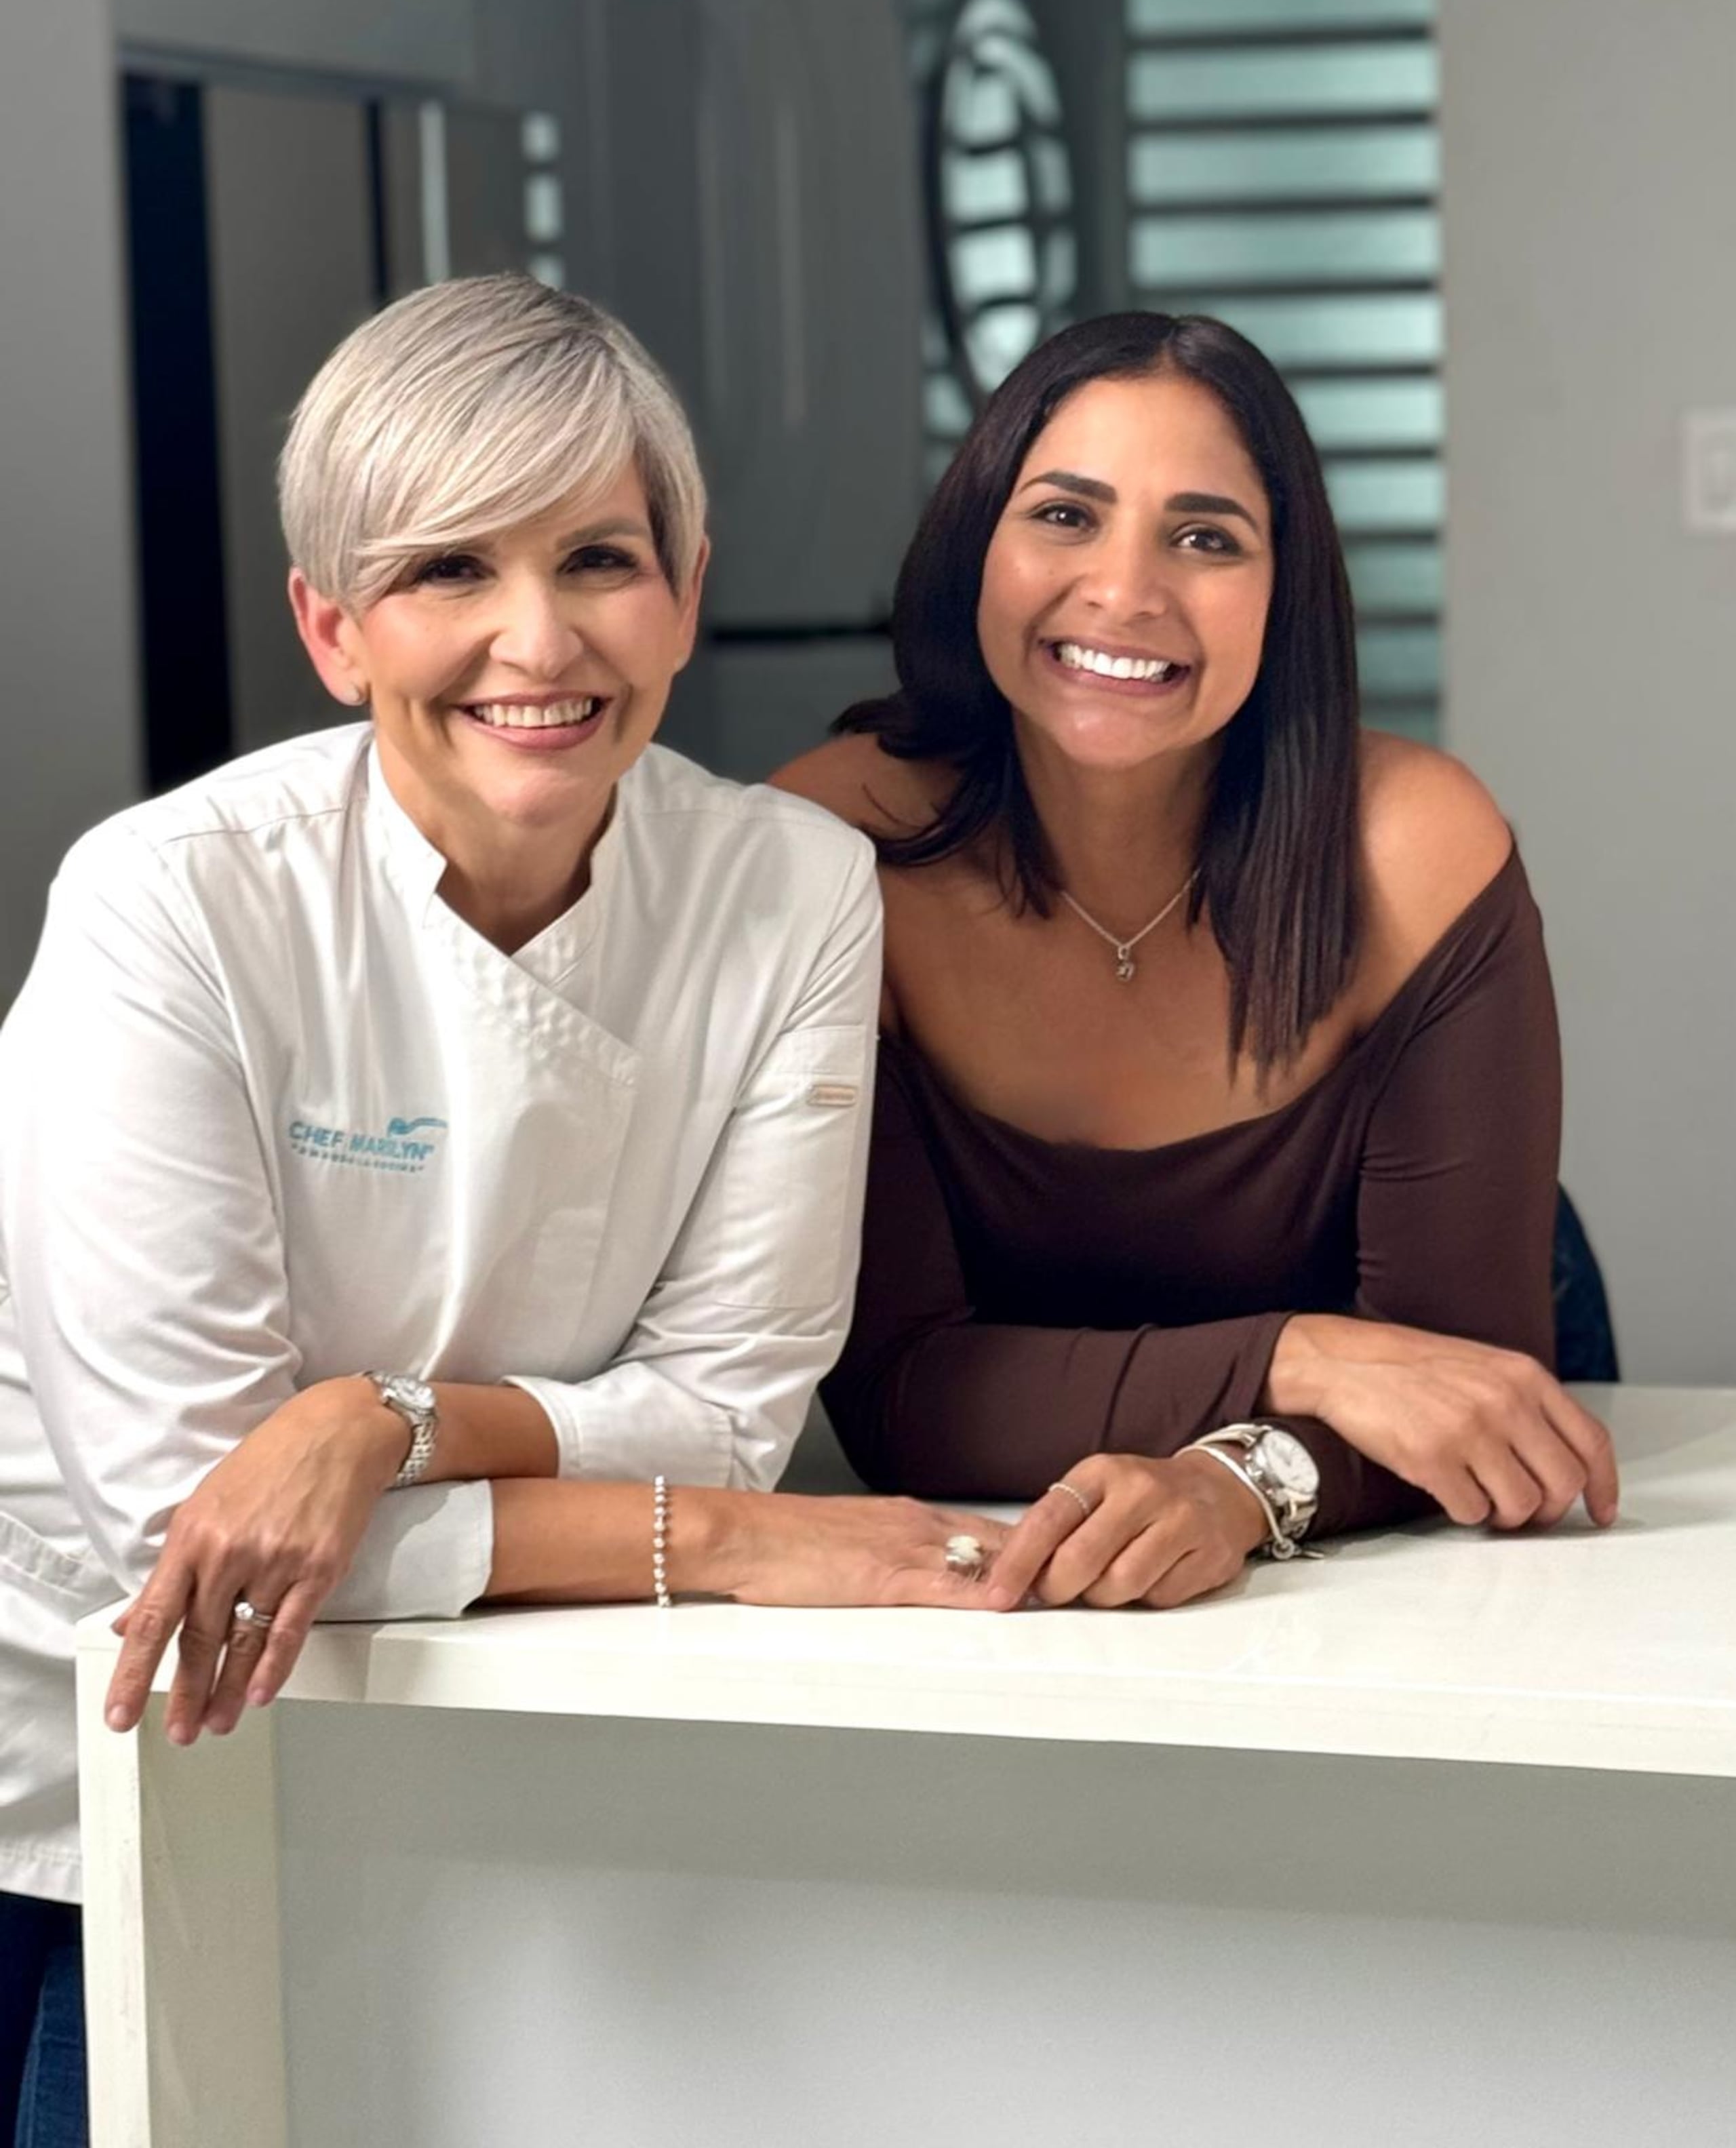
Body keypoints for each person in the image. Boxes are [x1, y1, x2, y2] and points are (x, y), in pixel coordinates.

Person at [0, 274, 1006, 2145]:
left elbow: (728, 1400)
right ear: (332, 625)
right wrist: (707, 1536)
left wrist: (364, 1421)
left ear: (686, 590)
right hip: (81, 1691)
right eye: (449, 567)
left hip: (500, 1679)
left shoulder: (788, 887)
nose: (537, 641)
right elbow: (183, 1510)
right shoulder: (173, 903)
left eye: (600, 557)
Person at [776, 309, 1619, 1615]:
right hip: (1168, 1461)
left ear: (1285, 591)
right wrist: (1305, 1358)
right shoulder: (835, 853)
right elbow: (901, 1393)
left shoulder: (1416, 848)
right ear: (974, 549)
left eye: (1205, 536)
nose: (1126, 591)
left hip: (1390, 1491)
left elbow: (1460, 1391)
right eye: (1064, 515)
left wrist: (1244, 1475)